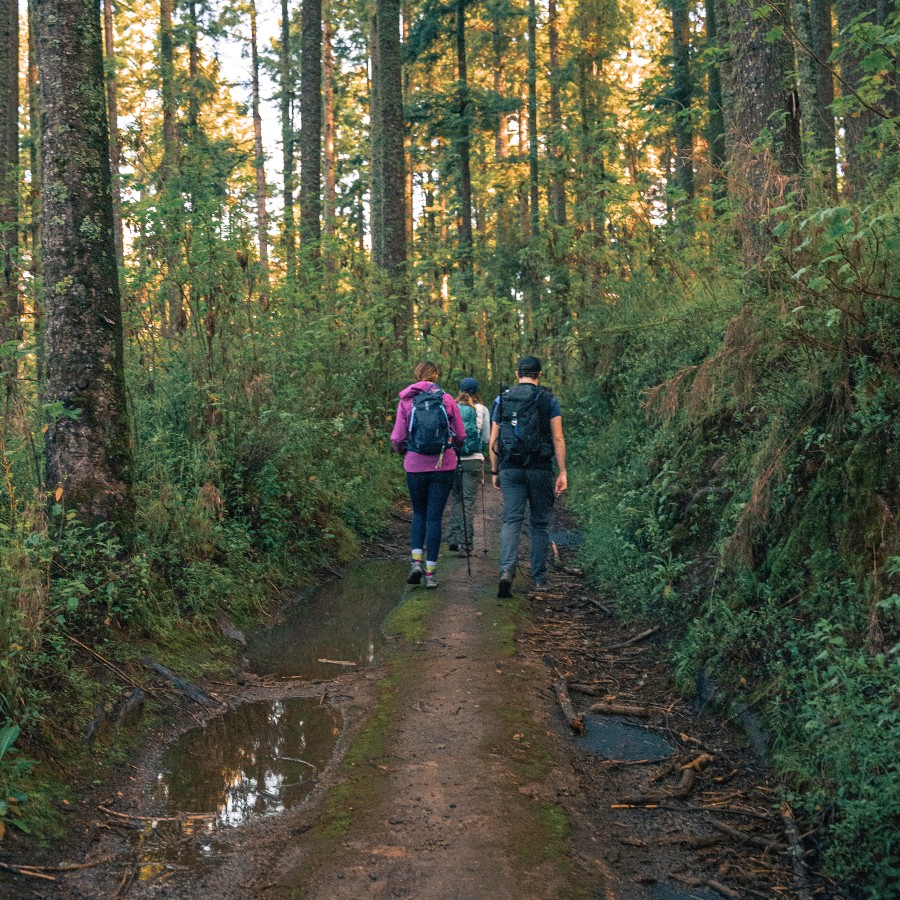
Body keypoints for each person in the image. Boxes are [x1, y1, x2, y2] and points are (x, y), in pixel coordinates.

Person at [489, 356, 567, 598]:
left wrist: (495, 471)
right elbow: (557, 438)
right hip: (540, 468)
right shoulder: (548, 399)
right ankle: (539, 579)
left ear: (517, 373)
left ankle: (505, 571)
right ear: (539, 375)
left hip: (510, 467)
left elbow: (493, 440)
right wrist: (562, 471)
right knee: (540, 524)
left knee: (511, 520)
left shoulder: (502, 399)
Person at [391, 361, 467, 589]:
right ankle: (431, 573)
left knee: (419, 513)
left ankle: (415, 563)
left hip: (415, 465)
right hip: (444, 465)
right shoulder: (447, 399)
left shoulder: (406, 400)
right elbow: (461, 434)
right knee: (435, 517)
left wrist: (405, 451)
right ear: (436, 376)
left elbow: (397, 437)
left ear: (416, 376)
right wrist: (455, 446)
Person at [446, 377, 492, 557]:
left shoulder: (452, 407)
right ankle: (466, 543)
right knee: (468, 500)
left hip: (454, 458)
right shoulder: (482, 410)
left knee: (457, 498)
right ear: (476, 391)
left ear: (459, 390)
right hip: (474, 459)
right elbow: (487, 439)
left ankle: (453, 538)